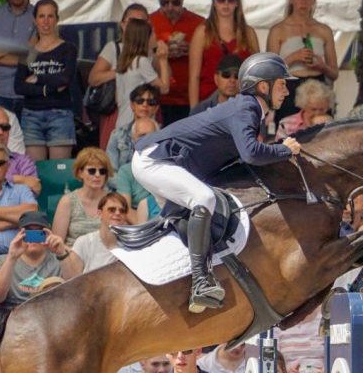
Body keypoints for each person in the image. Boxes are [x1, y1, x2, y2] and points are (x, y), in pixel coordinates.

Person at [132, 52, 300, 313]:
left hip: (170, 163)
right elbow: (252, 153)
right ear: (263, 86)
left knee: (196, 211)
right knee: (204, 199)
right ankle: (201, 281)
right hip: (155, 160)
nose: (287, 91)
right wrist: (285, 150)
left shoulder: (251, 109)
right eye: (282, 84)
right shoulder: (247, 107)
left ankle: (183, 279)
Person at [14, 0, 80, 161]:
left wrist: (36, 78)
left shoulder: (67, 48)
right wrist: (48, 88)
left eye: (50, 16)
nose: (46, 21)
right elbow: (19, 86)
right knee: (36, 172)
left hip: (60, 114)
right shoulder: (28, 52)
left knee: (58, 171)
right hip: (31, 115)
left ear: (57, 19)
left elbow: (65, 79)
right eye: (41, 16)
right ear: (34, 19)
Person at [267, 0, 338, 121]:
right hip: (289, 88)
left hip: (318, 88)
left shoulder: (324, 30)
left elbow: (334, 73)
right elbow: (269, 74)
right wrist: (293, 58)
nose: (303, 2)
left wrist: (321, 65)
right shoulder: (278, 30)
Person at [188, 0, 259, 107]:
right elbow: (194, 77)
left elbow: (257, 73)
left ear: (237, 3)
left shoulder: (248, 33)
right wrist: (194, 111)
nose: (226, 4)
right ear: (214, 2)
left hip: (241, 102)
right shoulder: (203, 32)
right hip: (209, 101)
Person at [88, 3, 149, 148]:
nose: (135, 27)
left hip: (147, 110)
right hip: (118, 111)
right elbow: (93, 78)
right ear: (122, 25)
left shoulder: (149, 50)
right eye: (131, 22)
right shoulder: (113, 48)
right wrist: (122, 71)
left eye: (140, 22)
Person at [149, 0, 205, 125]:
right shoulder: (149, 22)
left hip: (190, 99)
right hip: (156, 100)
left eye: (175, 2)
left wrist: (193, 50)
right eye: (164, 2)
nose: (169, 7)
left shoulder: (199, 23)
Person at [0, 211, 65, 307]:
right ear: (19, 234)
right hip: (13, 315)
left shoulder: (60, 259)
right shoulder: (3, 261)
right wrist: (12, 258)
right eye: (28, 233)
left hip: (51, 312)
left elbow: (77, 290)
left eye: (39, 232)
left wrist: (62, 253)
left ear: (48, 234)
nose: (33, 238)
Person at [115, 18, 169, 132]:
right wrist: (163, 60)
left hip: (123, 119)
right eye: (152, 33)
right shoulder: (141, 61)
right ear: (145, 38)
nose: (155, 36)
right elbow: (164, 88)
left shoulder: (124, 60)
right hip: (138, 123)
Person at [55, 193, 127, 277]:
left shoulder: (132, 246)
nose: (118, 213)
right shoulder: (84, 242)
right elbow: (72, 281)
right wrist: (62, 254)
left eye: (122, 211)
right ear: (100, 214)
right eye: (112, 210)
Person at [51, 148, 110, 246]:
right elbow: (57, 243)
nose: (97, 175)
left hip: (105, 257)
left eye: (102, 171)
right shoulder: (68, 201)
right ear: (80, 173)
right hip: (72, 256)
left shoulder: (113, 200)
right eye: (92, 171)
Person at [107, 84, 161, 172]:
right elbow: (110, 172)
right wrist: (125, 185)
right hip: (120, 184)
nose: (145, 105)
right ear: (132, 105)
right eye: (140, 101)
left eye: (151, 102)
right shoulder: (117, 135)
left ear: (156, 108)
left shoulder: (166, 137)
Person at [115, 119, 159, 223]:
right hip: (140, 226)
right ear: (133, 140)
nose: (146, 139)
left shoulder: (168, 166)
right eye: (141, 135)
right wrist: (147, 230)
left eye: (151, 135)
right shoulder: (126, 171)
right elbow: (125, 209)